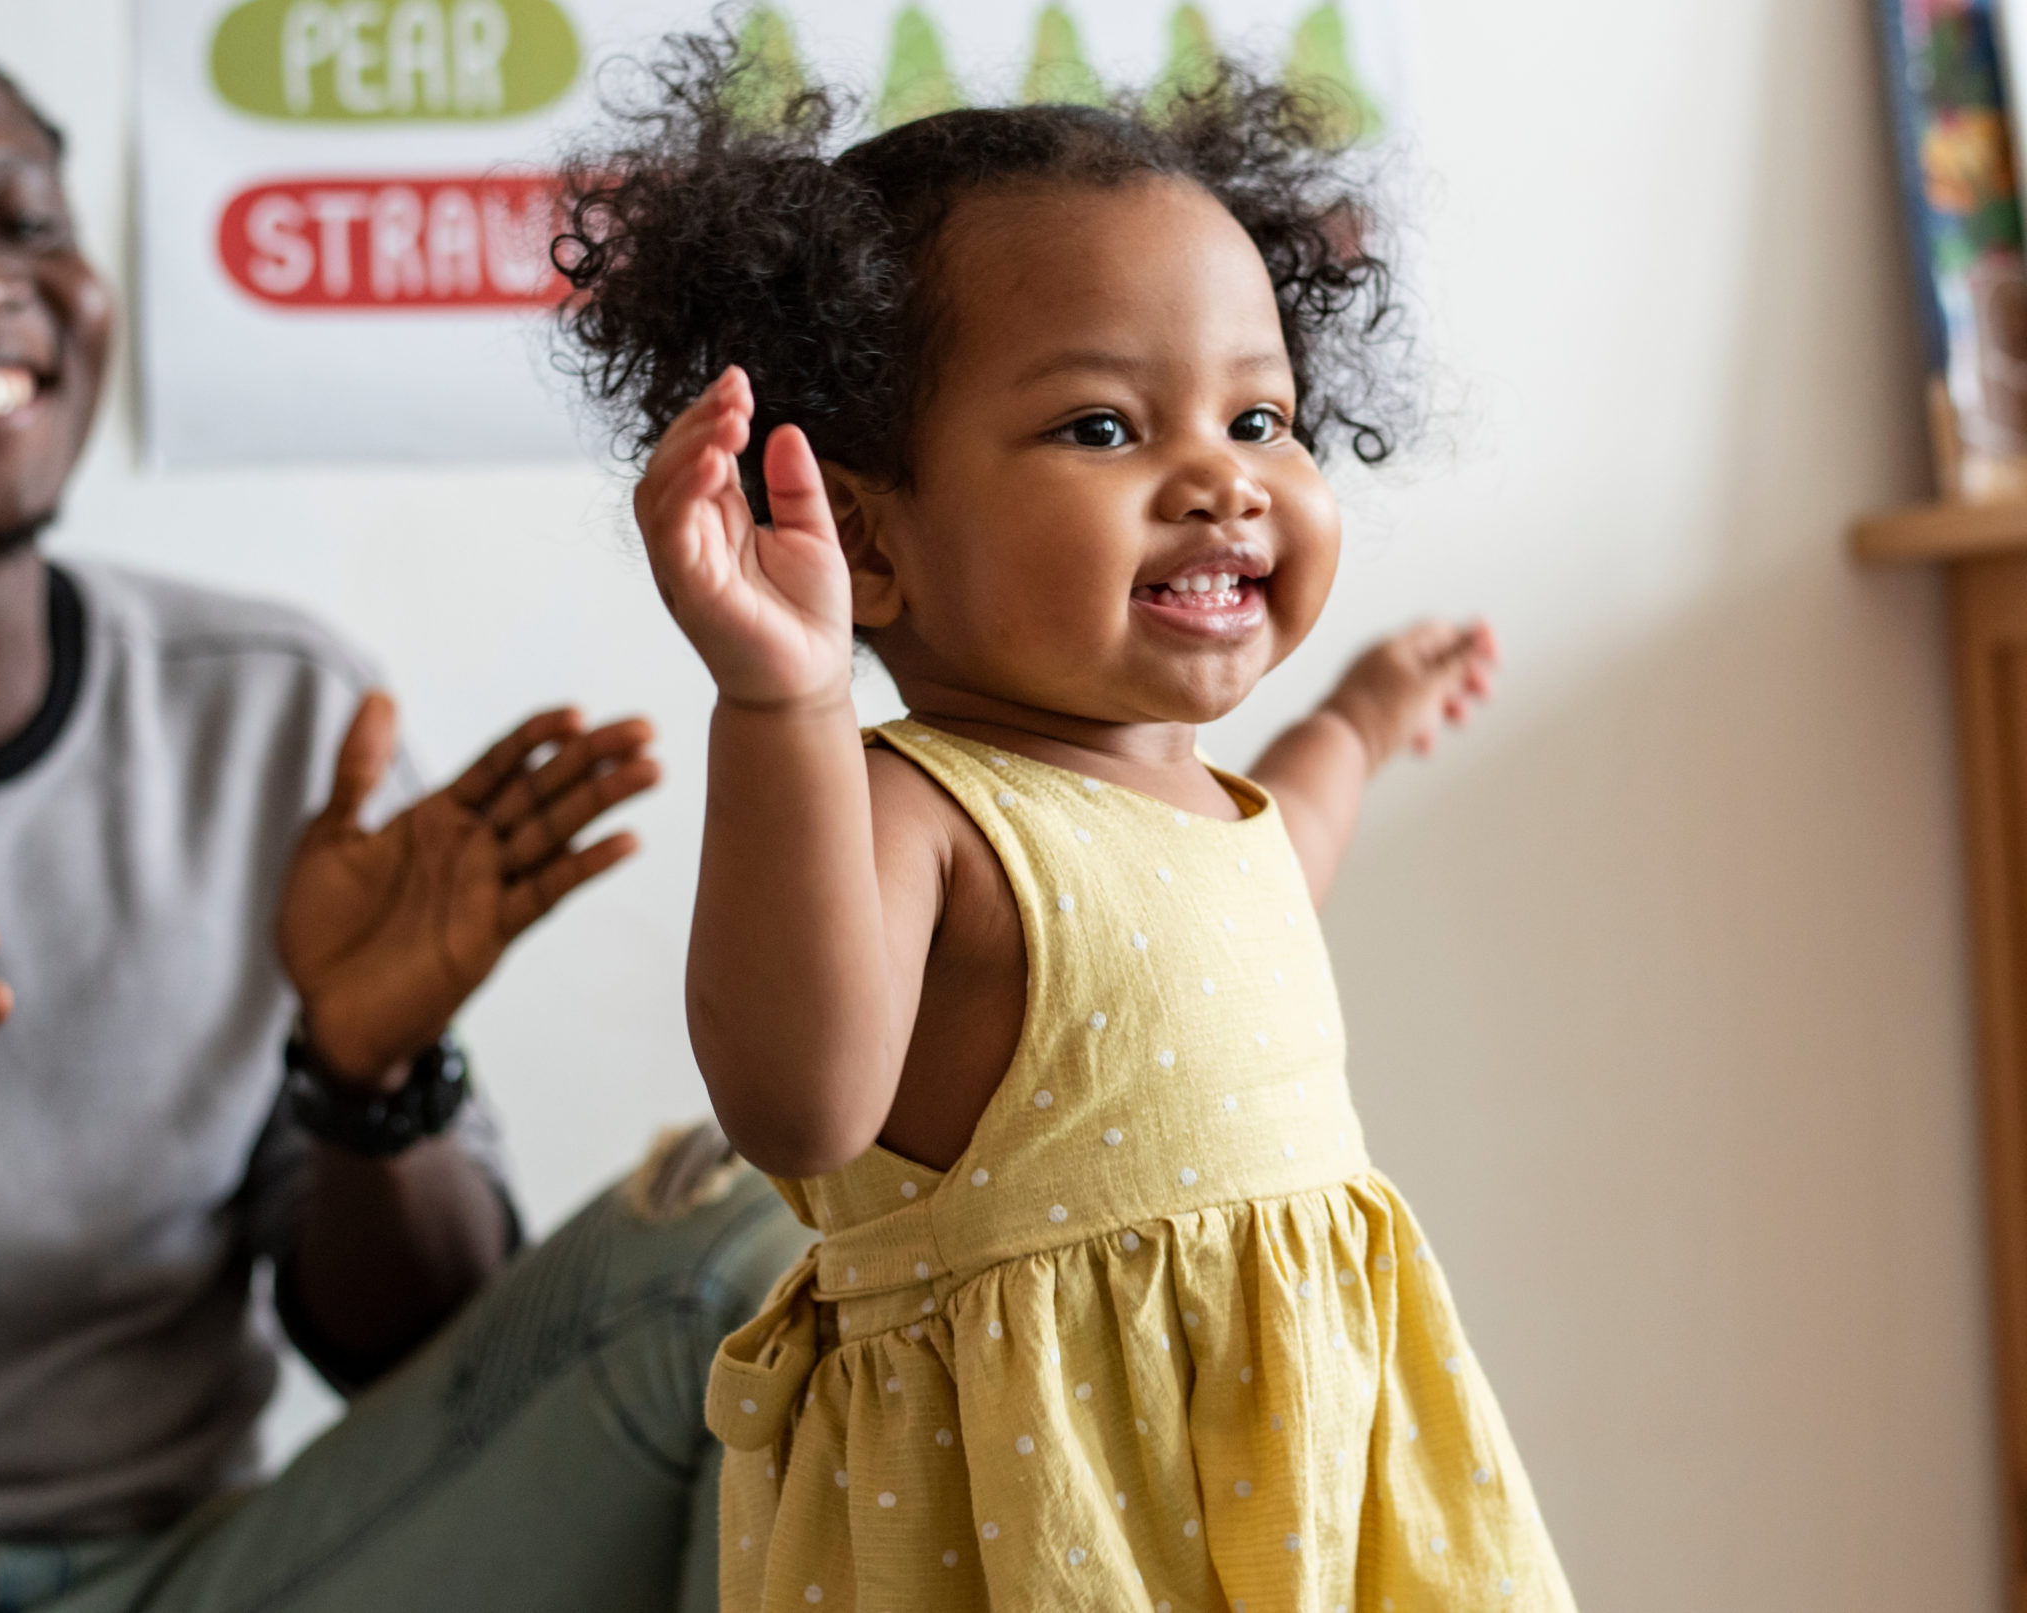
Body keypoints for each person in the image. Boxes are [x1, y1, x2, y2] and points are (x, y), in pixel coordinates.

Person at [0, 5, 809, 1610]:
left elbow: (426, 1356)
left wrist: (365, 1080)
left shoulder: (276, 712)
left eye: (23, 220)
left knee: (742, 1247)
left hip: (208, 1580)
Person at [553, 37, 1578, 1613]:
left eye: (1260, 418)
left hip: (1303, 1509)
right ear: (871, 539)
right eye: (1105, 429)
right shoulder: (920, 808)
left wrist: (1357, 726)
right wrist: (786, 705)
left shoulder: (1195, 800)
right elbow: (801, 1099)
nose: (1220, 485)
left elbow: (1262, 880)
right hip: (1053, 1532)